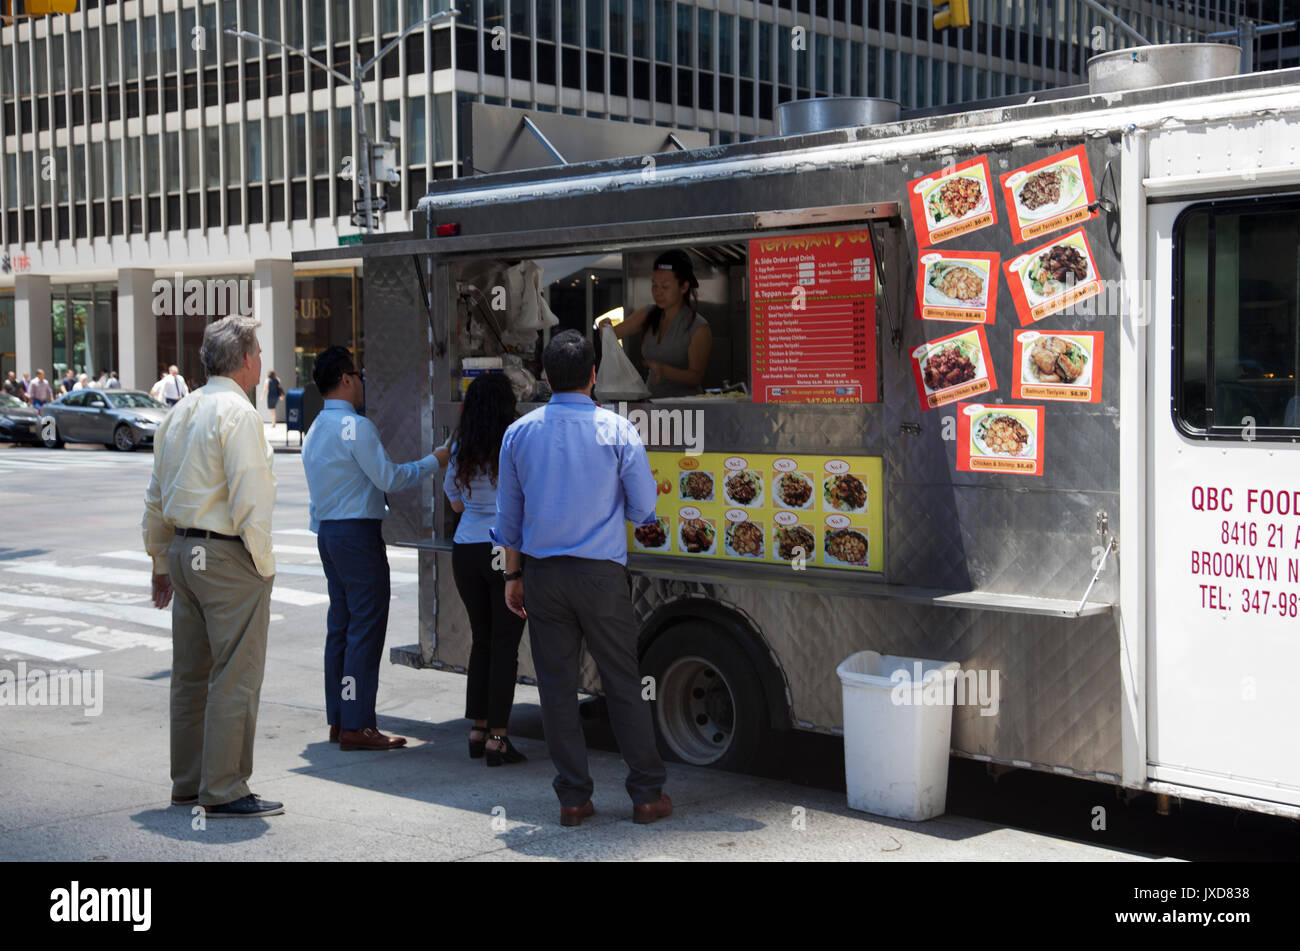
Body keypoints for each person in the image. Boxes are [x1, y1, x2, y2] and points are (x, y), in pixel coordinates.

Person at [492, 330, 670, 827]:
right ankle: (647, 795)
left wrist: (513, 576)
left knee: (556, 687)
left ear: (545, 377)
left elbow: (509, 519)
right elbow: (643, 509)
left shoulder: (519, 433)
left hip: (544, 575)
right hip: (601, 575)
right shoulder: (618, 431)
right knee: (623, 683)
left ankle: (573, 799)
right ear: (594, 375)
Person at [142, 315, 281, 819]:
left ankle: (189, 783)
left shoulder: (181, 412)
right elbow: (251, 497)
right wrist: (264, 564)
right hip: (224, 554)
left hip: (183, 550)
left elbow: (156, 496)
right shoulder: (238, 412)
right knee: (234, 674)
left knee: (191, 676)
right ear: (245, 360)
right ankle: (224, 787)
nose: (262, 362)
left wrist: (160, 560)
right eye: (259, 353)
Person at [302, 346, 450, 751]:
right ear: (347, 379)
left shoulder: (315, 429)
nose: (363, 381)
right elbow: (390, 477)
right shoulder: (356, 427)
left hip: (328, 535)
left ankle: (340, 717)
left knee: (342, 627)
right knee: (365, 629)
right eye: (359, 373)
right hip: (356, 535)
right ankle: (358, 724)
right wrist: (436, 460)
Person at [444, 373, 527, 767]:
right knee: (505, 645)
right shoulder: (514, 440)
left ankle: (479, 729)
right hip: (504, 549)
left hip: (466, 549)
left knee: (482, 638)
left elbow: (455, 502)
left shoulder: (462, 445)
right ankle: (499, 738)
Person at [601, 249, 713, 399]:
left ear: (684, 287)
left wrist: (664, 371)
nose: (658, 292)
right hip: (651, 405)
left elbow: (696, 376)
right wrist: (605, 328)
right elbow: (612, 335)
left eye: (665, 287)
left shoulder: (698, 327)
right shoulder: (647, 313)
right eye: (654, 285)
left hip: (686, 410)